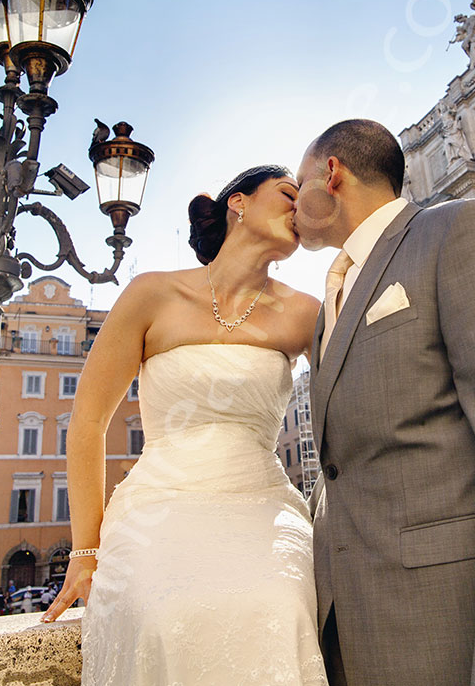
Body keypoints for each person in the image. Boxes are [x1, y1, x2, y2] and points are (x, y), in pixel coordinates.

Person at [294, 119, 475, 686]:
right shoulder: (326, 306)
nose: (291, 202)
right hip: (352, 636)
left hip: (458, 636)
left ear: (330, 175)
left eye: (297, 180)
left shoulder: (458, 230)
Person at [42, 165, 327, 686]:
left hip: (263, 504)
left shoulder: (305, 313)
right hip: (158, 504)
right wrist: (85, 550)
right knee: (162, 615)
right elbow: (87, 422)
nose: (299, 205)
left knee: (283, 608)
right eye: (288, 193)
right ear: (238, 203)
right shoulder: (152, 293)